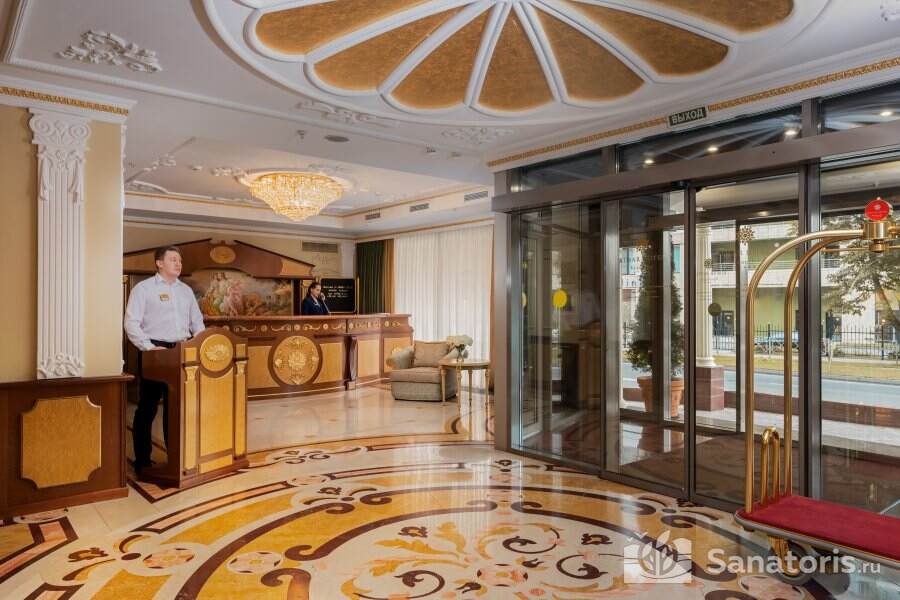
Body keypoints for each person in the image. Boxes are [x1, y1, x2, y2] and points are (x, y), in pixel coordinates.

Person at [124, 246, 206, 474]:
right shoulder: (144, 289)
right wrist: (149, 348)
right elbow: (131, 323)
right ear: (159, 263)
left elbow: (197, 323)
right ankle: (142, 460)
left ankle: (177, 458)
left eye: (180, 260)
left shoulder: (186, 291)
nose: (178, 264)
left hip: (182, 351)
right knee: (147, 408)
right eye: (173, 260)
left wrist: (200, 344)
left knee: (177, 408)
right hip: (155, 351)